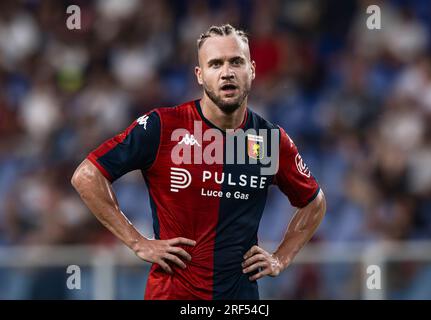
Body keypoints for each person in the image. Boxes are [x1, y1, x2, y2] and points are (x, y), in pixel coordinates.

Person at [71, 24, 326, 300]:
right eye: (215, 64)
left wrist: (281, 257)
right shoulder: (164, 127)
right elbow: (87, 176)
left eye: (236, 62)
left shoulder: (268, 140)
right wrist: (137, 242)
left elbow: (314, 202)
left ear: (251, 70)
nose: (226, 72)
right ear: (200, 75)